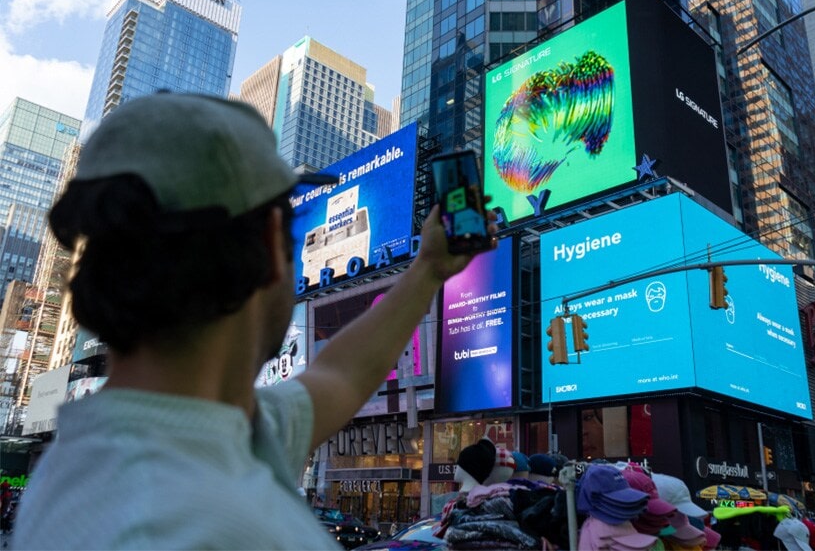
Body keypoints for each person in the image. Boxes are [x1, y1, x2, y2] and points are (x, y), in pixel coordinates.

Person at [11, 93, 495, 550]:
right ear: (270, 243)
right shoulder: (185, 522)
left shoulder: (198, 432)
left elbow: (340, 376)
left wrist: (428, 268)